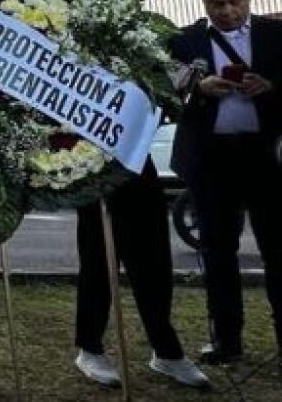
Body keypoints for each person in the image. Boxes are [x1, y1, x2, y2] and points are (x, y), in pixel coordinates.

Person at [166, 0, 282, 369]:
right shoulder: (185, 40)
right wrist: (199, 87)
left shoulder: (275, 35)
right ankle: (226, 341)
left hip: (266, 159)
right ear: (204, 2)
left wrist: (270, 87)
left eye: (234, 2)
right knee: (217, 253)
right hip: (211, 160)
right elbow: (163, 80)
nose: (227, 11)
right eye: (217, 4)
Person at [73, 162, 210, 389]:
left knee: (154, 262)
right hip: (90, 164)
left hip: (136, 161)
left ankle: (166, 352)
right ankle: (90, 349)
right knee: (98, 262)